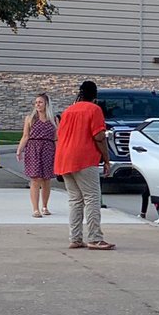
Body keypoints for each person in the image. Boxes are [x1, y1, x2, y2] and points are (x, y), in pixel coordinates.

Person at [53, 80, 115, 250]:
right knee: (92, 198)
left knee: (75, 200)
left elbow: (59, 136)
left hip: (64, 158)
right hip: (84, 158)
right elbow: (99, 136)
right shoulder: (94, 110)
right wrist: (106, 159)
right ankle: (95, 238)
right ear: (95, 95)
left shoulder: (68, 110)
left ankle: (75, 238)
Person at [16, 92, 58, 216]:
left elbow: (56, 138)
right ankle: (35, 208)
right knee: (35, 179)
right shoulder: (30, 118)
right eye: (36, 103)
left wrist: (59, 153)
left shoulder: (54, 119)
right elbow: (25, 136)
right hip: (33, 149)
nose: (37, 105)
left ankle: (45, 206)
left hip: (48, 149)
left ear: (46, 104)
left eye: (40, 102)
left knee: (46, 180)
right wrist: (19, 150)